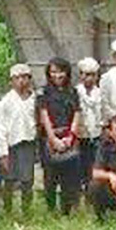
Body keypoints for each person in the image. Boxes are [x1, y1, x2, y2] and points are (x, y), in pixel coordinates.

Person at [38, 58, 82, 215]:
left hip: (69, 137)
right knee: (50, 178)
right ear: (49, 73)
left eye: (61, 71)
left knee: (68, 178)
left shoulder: (73, 92)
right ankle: (51, 210)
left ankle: (66, 210)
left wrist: (71, 136)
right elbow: (44, 116)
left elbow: (77, 113)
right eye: (54, 72)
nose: (57, 75)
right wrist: (53, 139)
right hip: (50, 139)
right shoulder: (44, 92)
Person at [0, 63, 37, 216]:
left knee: (27, 180)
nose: (21, 81)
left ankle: (26, 211)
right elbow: (0, 127)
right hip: (11, 144)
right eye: (17, 78)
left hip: (28, 143)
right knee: (9, 179)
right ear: (11, 81)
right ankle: (7, 211)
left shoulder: (35, 99)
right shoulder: (6, 101)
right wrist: (2, 152)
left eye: (24, 77)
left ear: (30, 79)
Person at [76, 57, 102, 192]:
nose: (88, 78)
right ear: (80, 75)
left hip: (97, 136)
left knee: (95, 168)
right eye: (85, 74)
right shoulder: (75, 93)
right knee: (80, 169)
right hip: (80, 137)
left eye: (92, 75)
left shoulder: (101, 93)